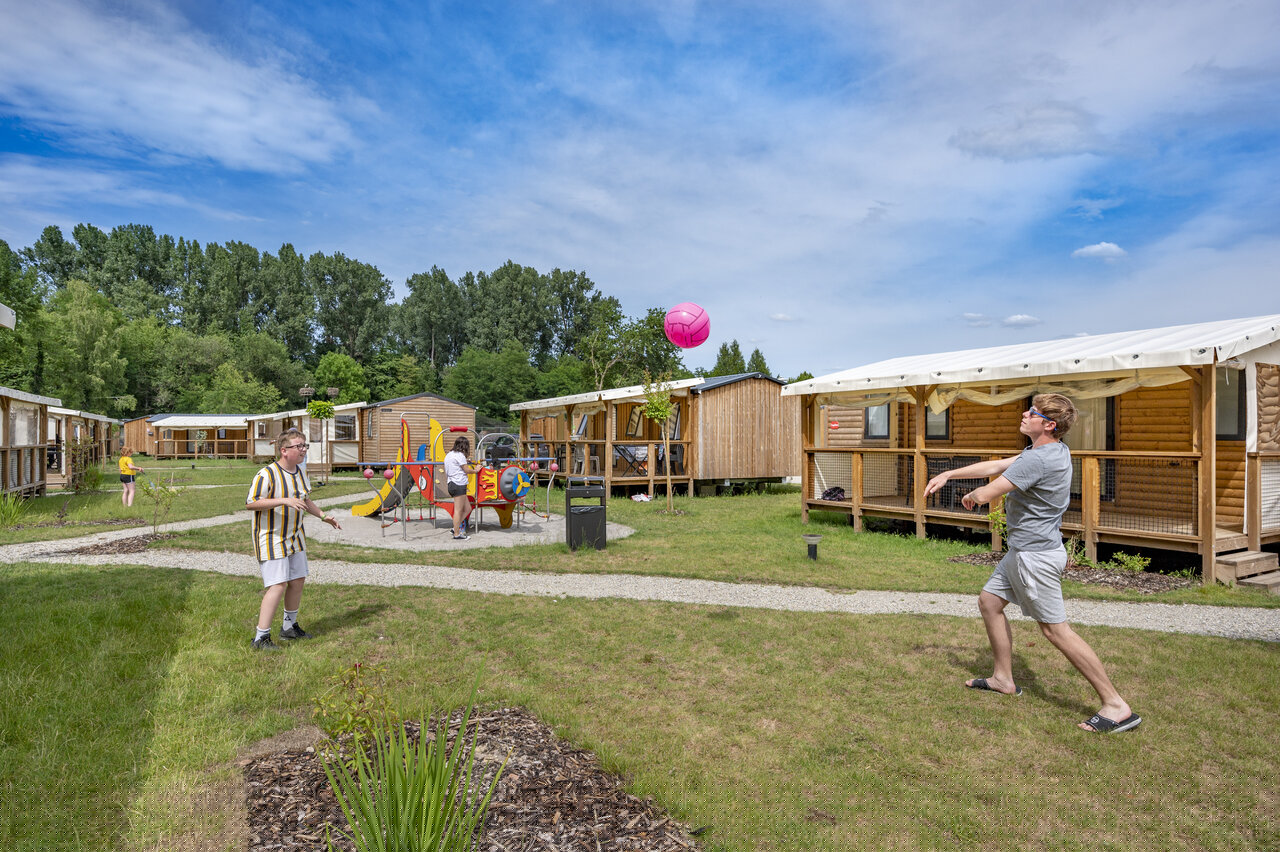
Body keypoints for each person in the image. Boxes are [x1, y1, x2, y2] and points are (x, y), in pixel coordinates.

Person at [924, 393, 1141, 734]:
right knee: (990, 602)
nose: (1025, 414)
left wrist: (971, 495)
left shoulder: (1038, 460)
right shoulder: (1048, 451)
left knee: (1055, 631)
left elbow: (986, 493)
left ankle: (1116, 705)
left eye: (1033, 412)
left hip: (1034, 558)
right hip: (1025, 552)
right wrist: (950, 473)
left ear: (1049, 424)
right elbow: (996, 465)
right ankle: (1003, 678)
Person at [245, 430, 341, 651]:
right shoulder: (266, 474)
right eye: (299, 446)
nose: (304, 450)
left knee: (297, 580)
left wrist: (323, 516)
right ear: (284, 450)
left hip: (295, 536)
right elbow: (251, 503)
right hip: (271, 538)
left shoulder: (300, 472)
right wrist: (283, 501)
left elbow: (306, 500)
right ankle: (261, 638)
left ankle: (289, 628)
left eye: (305, 446)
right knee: (277, 585)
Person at [444, 435, 478, 540]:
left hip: (452, 484)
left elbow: (457, 466)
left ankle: (455, 527)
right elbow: (467, 470)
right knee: (458, 510)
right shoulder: (460, 455)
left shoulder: (449, 455)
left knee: (468, 508)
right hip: (458, 484)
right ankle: (457, 534)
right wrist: (476, 470)